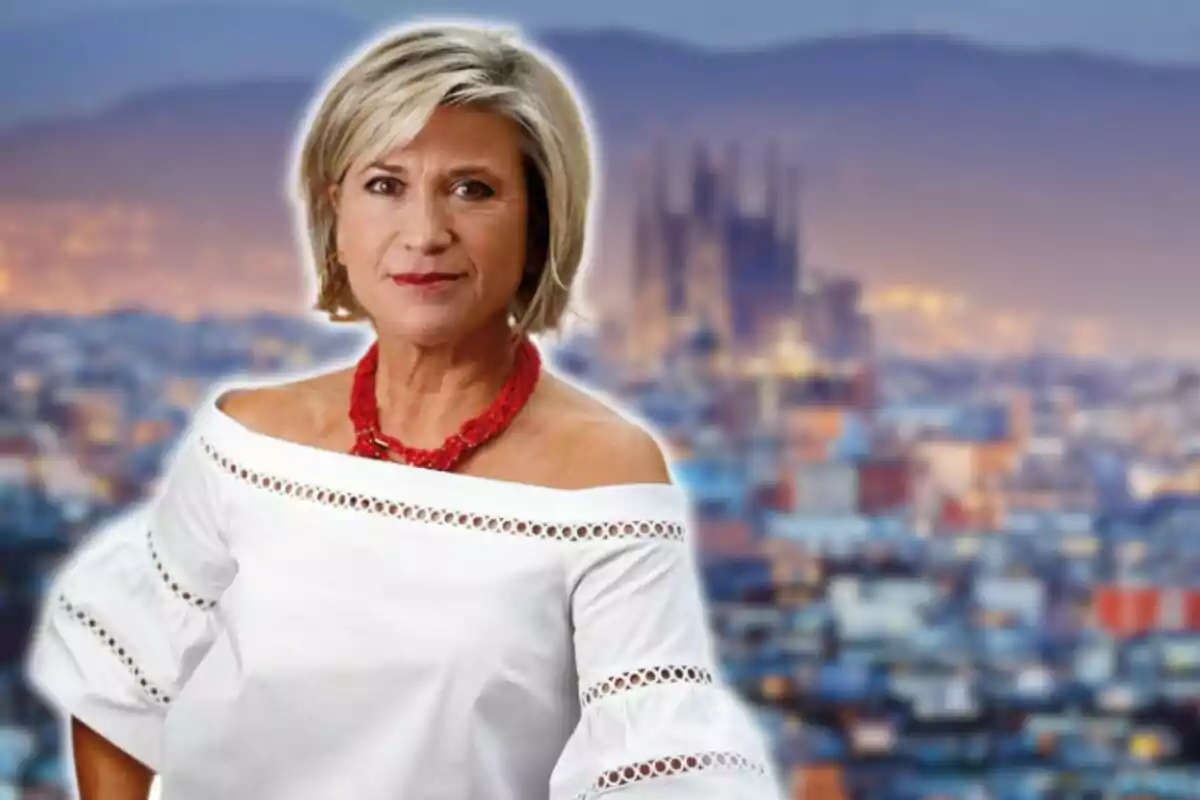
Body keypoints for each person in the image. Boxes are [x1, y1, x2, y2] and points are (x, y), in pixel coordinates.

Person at [23, 19, 783, 800]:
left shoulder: (601, 476)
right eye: (385, 186)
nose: (424, 234)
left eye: (473, 189)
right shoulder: (246, 444)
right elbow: (117, 675)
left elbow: (661, 768)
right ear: (338, 216)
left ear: (539, 225)